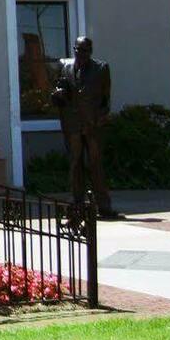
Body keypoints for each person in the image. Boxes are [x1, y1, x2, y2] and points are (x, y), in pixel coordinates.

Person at [51, 35, 117, 218]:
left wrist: (98, 119)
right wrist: (58, 95)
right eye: (78, 50)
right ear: (74, 50)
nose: (81, 54)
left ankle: (104, 206)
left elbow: (106, 100)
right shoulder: (65, 67)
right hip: (72, 125)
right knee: (75, 164)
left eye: (85, 50)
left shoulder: (101, 69)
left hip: (93, 125)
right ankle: (76, 205)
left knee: (96, 165)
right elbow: (59, 91)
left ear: (90, 51)